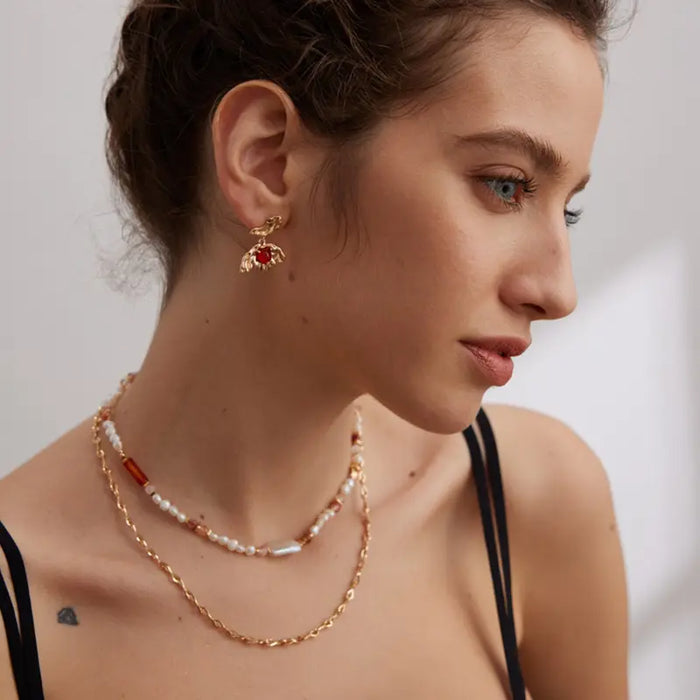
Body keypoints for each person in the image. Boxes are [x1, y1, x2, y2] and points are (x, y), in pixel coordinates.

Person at [0, 0, 632, 697]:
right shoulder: (21, 609)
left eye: (566, 208)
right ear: (267, 161)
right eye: (505, 185)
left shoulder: (524, 507)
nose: (558, 289)